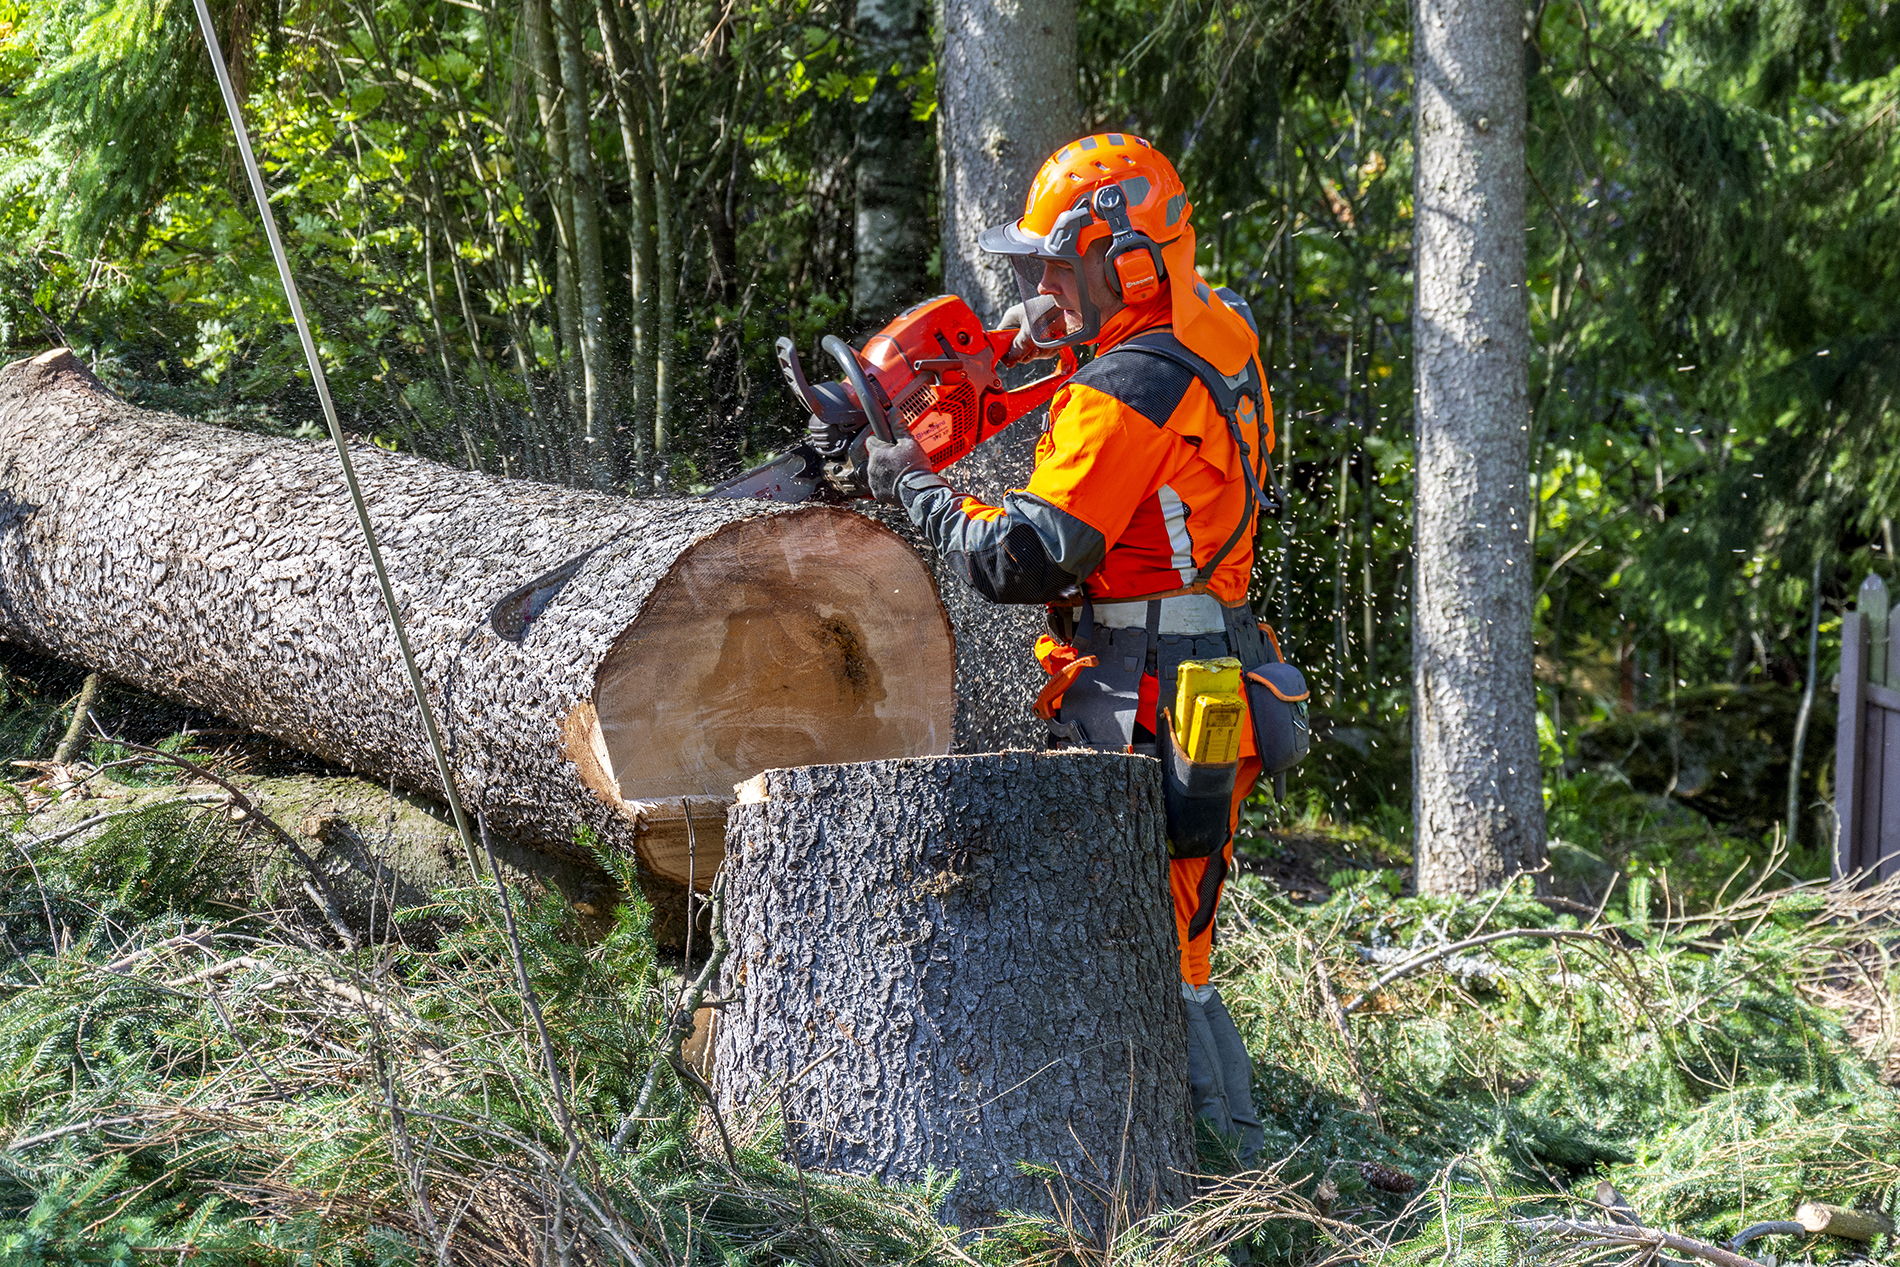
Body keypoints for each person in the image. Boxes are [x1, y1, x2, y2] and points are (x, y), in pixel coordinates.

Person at [864, 133, 1272, 1161]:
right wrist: (1033, 345)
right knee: (1180, 942)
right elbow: (1142, 391)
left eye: (1058, 262)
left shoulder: (1125, 387)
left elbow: (1024, 557)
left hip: (1139, 694)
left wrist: (911, 487)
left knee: (1124, 939)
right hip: (1210, 668)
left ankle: (1178, 1167)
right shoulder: (1215, 327)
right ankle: (1224, 1148)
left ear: (1125, 255)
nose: (1041, 282)